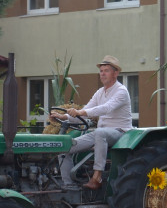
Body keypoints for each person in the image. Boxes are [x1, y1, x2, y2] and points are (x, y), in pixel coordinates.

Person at [52, 55, 133, 190]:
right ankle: (68, 186)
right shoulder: (100, 92)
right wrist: (63, 116)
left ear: (116, 73)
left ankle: (97, 177)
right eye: (101, 71)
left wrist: (81, 112)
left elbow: (105, 108)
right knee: (64, 146)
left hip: (120, 132)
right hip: (100, 133)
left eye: (106, 70)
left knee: (100, 133)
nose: (102, 74)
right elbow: (86, 111)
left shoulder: (121, 91)